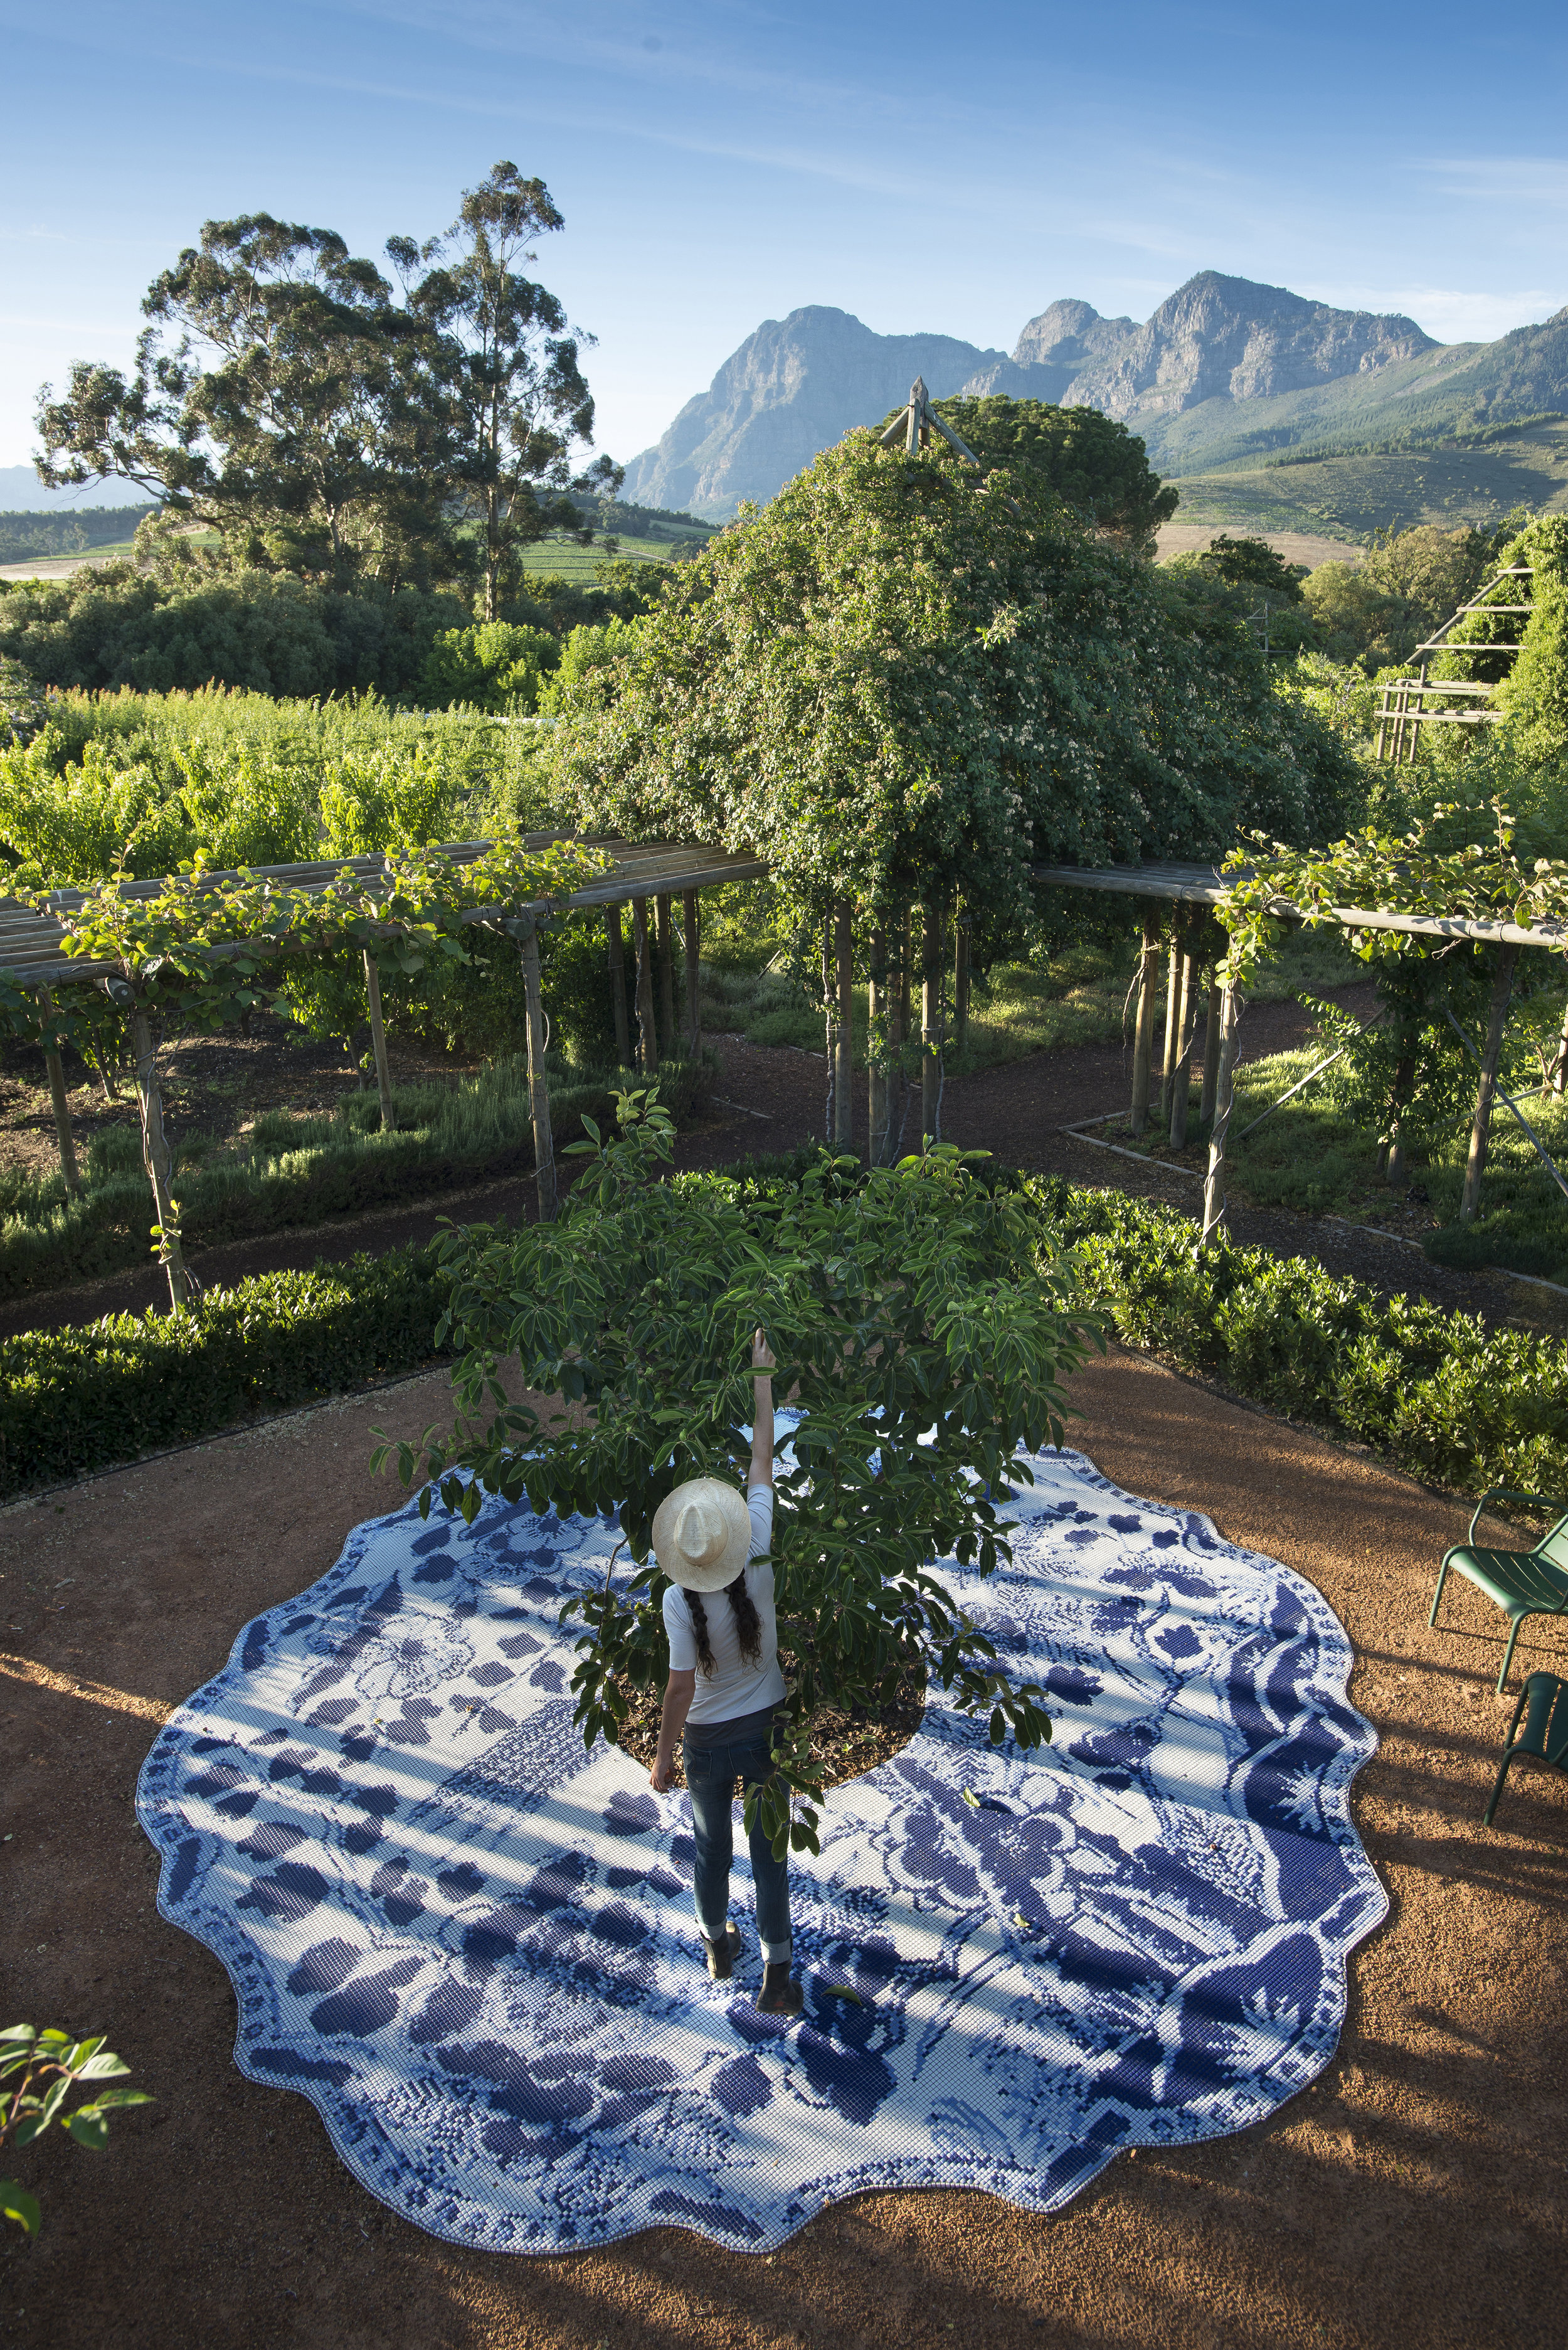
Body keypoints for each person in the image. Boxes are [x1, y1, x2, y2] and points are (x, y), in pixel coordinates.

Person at [649, 1331, 802, 2017]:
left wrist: (661, 1760)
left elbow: (680, 1688)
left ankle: (716, 1943)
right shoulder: (761, 1546)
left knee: (711, 1848)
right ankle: (778, 1976)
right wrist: (760, 1377)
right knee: (770, 1852)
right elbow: (762, 1449)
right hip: (765, 1724)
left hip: (706, 1740)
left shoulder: (677, 1597)